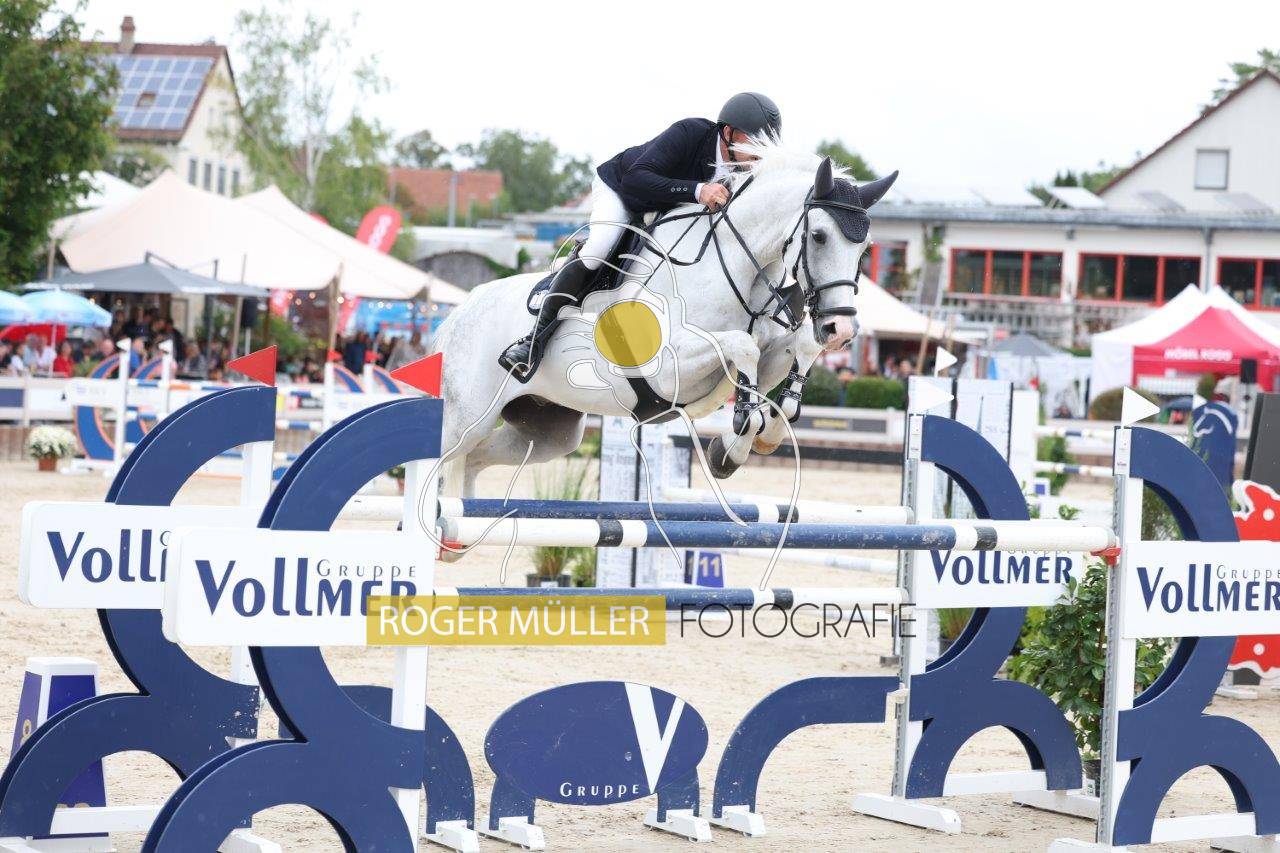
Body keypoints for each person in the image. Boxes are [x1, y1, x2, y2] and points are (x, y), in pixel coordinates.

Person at [499, 92, 783, 379]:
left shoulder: (748, 171)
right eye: (755, 142)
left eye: (767, 144)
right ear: (728, 133)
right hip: (623, 190)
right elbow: (636, 180)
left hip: (665, 209)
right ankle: (534, 340)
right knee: (599, 248)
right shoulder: (690, 133)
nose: (760, 153)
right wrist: (698, 190)